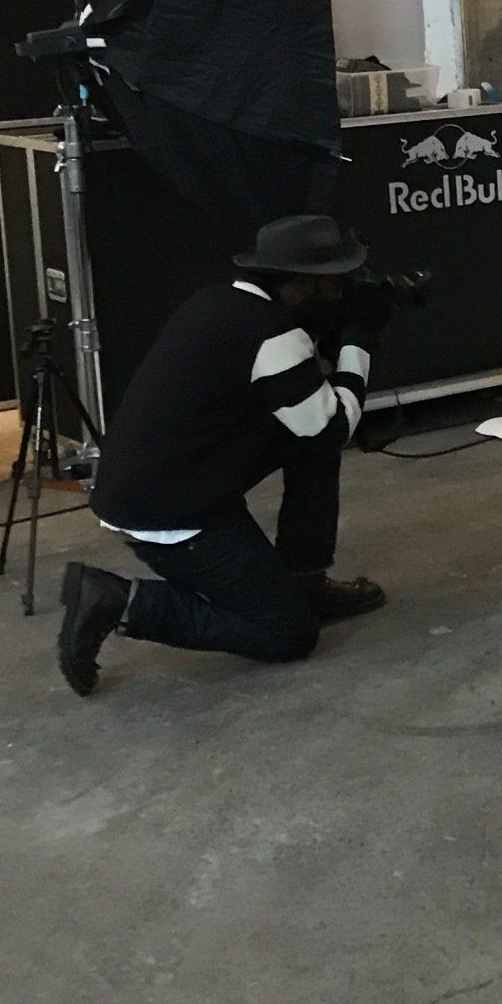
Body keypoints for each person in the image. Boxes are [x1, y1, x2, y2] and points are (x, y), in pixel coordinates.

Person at [55, 215, 393, 695]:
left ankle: (305, 580)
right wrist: (360, 341)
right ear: (299, 285)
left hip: (166, 483)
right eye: (336, 285)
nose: (343, 292)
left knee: (309, 446)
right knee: (288, 633)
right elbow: (333, 428)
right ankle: (121, 600)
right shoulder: (270, 333)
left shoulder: (220, 303)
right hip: (169, 513)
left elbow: (304, 420)